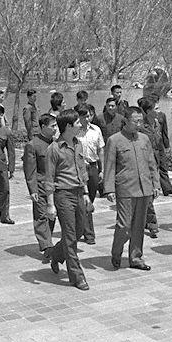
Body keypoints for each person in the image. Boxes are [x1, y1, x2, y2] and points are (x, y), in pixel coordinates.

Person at [105, 106, 161, 270]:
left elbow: (152, 163)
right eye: (135, 121)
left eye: (140, 121)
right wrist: (109, 189)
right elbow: (109, 166)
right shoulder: (114, 140)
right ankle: (116, 252)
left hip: (144, 188)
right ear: (126, 121)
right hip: (126, 189)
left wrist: (155, 184)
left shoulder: (144, 139)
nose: (139, 124)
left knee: (138, 225)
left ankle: (136, 257)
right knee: (124, 225)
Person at [45, 109, 92, 291]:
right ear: (69, 126)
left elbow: (82, 170)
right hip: (63, 195)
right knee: (70, 236)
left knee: (79, 231)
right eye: (78, 123)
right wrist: (50, 204)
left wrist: (86, 193)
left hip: (79, 193)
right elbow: (49, 179)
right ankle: (77, 277)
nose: (81, 125)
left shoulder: (78, 144)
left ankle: (56, 254)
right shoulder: (54, 149)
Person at [23, 114, 58, 259]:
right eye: (53, 126)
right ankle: (47, 247)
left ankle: (47, 242)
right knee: (41, 217)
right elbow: (30, 170)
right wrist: (33, 190)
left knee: (51, 216)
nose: (55, 129)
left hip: (55, 187)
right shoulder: (33, 145)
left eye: (56, 125)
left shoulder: (55, 144)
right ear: (43, 127)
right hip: (41, 187)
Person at [75, 104, 104, 245]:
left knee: (90, 199)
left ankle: (80, 227)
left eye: (89, 115)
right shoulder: (74, 131)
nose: (87, 119)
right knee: (83, 200)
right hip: (78, 169)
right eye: (84, 116)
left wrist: (102, 169)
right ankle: (89, 234)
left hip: (92, 167)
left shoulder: (96, 130)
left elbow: (101, 150)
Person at [136, 97, 162, 238]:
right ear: (147, 111)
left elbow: (160, 144)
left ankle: (145, 220)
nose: (159, 111)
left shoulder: (157, 124)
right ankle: (152, 224)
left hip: (155, 162)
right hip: (143, 164)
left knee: (150, 194)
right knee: (149, 196)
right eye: (156, 109)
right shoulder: (140, 127)